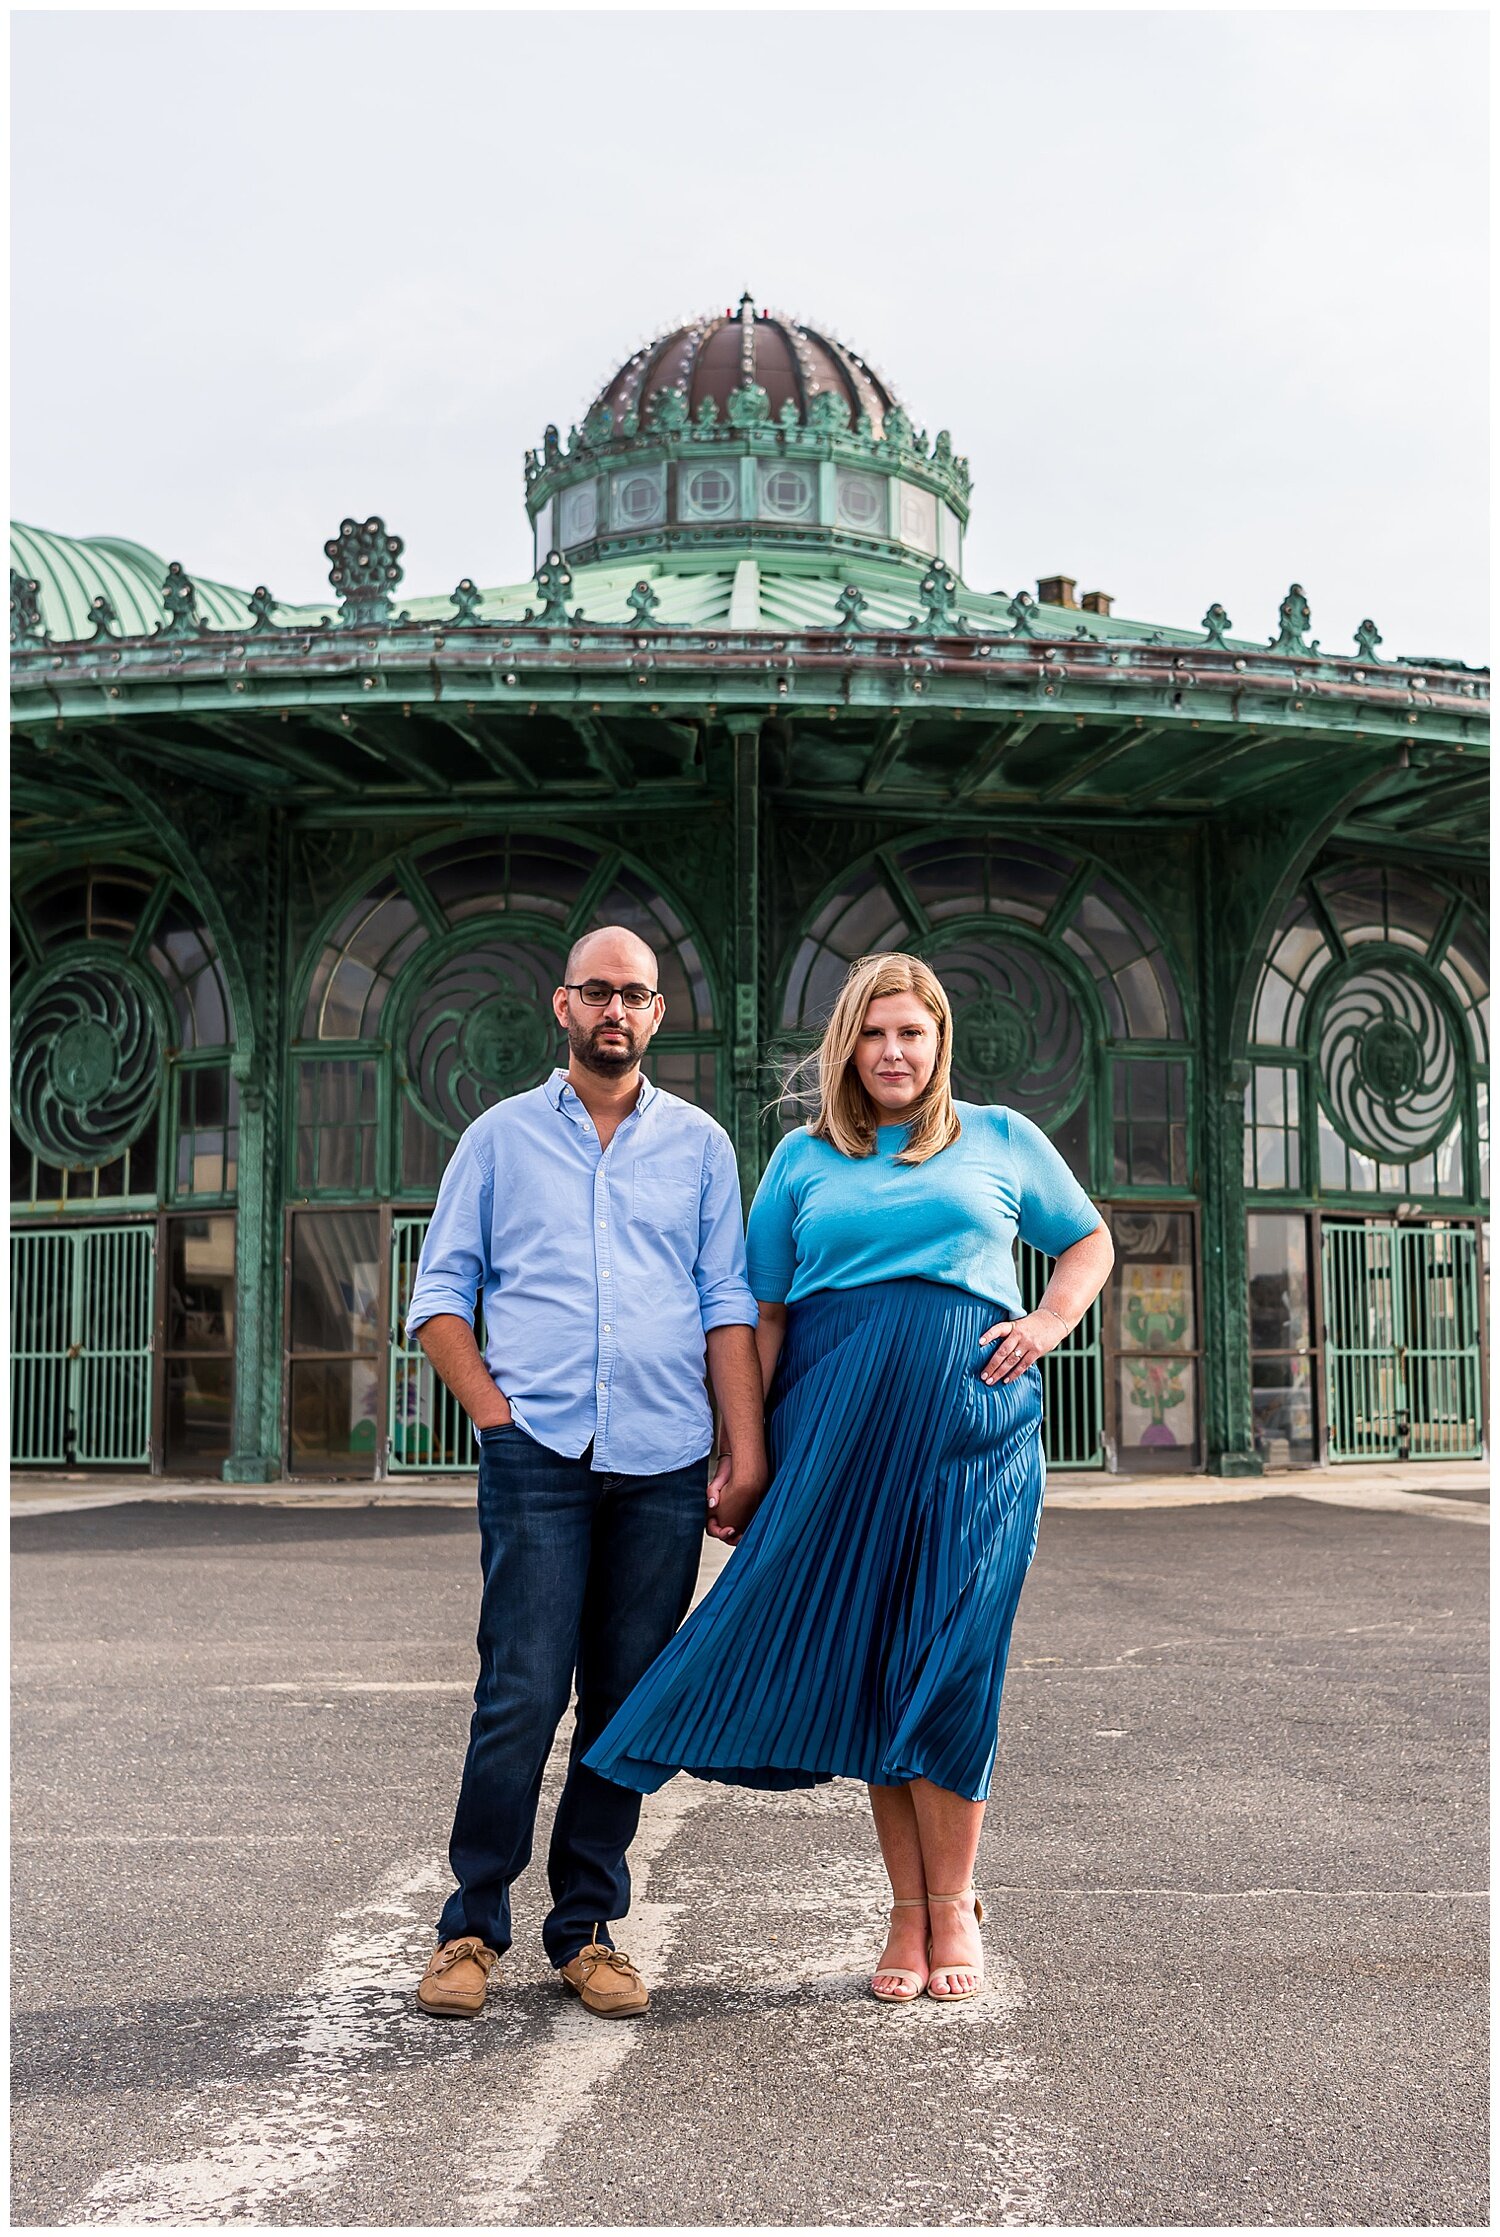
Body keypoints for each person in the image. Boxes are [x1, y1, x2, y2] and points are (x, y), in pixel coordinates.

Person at [585, 951, 1113, 2004]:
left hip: (974, 1435)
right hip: (835, 1433)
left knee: (951, 1656)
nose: (893, 1051)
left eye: (911, 1031)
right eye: (873, 1033)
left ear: (939, 1040)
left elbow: (1087, 1240)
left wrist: (1050, 1321)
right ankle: (906, 1914)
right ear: (846, 1045)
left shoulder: (1000, 1138)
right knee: (877, 1663)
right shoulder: (800, 1158)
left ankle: (955, 1901)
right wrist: (746, 1453)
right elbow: (763, 1314)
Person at [405, 924, 766, 2021]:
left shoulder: (702, 1145)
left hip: (660, 1461)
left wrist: (742, 1448)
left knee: (623, 1703)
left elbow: (726, 1304)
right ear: (561, 1005)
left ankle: (588, 1927)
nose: (616, 1010)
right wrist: (496, 1417)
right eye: (598, 991)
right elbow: (439, 1295)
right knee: (518, 1693)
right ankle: (470, 1925)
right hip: (540, 1457)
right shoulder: (500, 1138)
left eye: (637, 994)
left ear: (658, 1014)